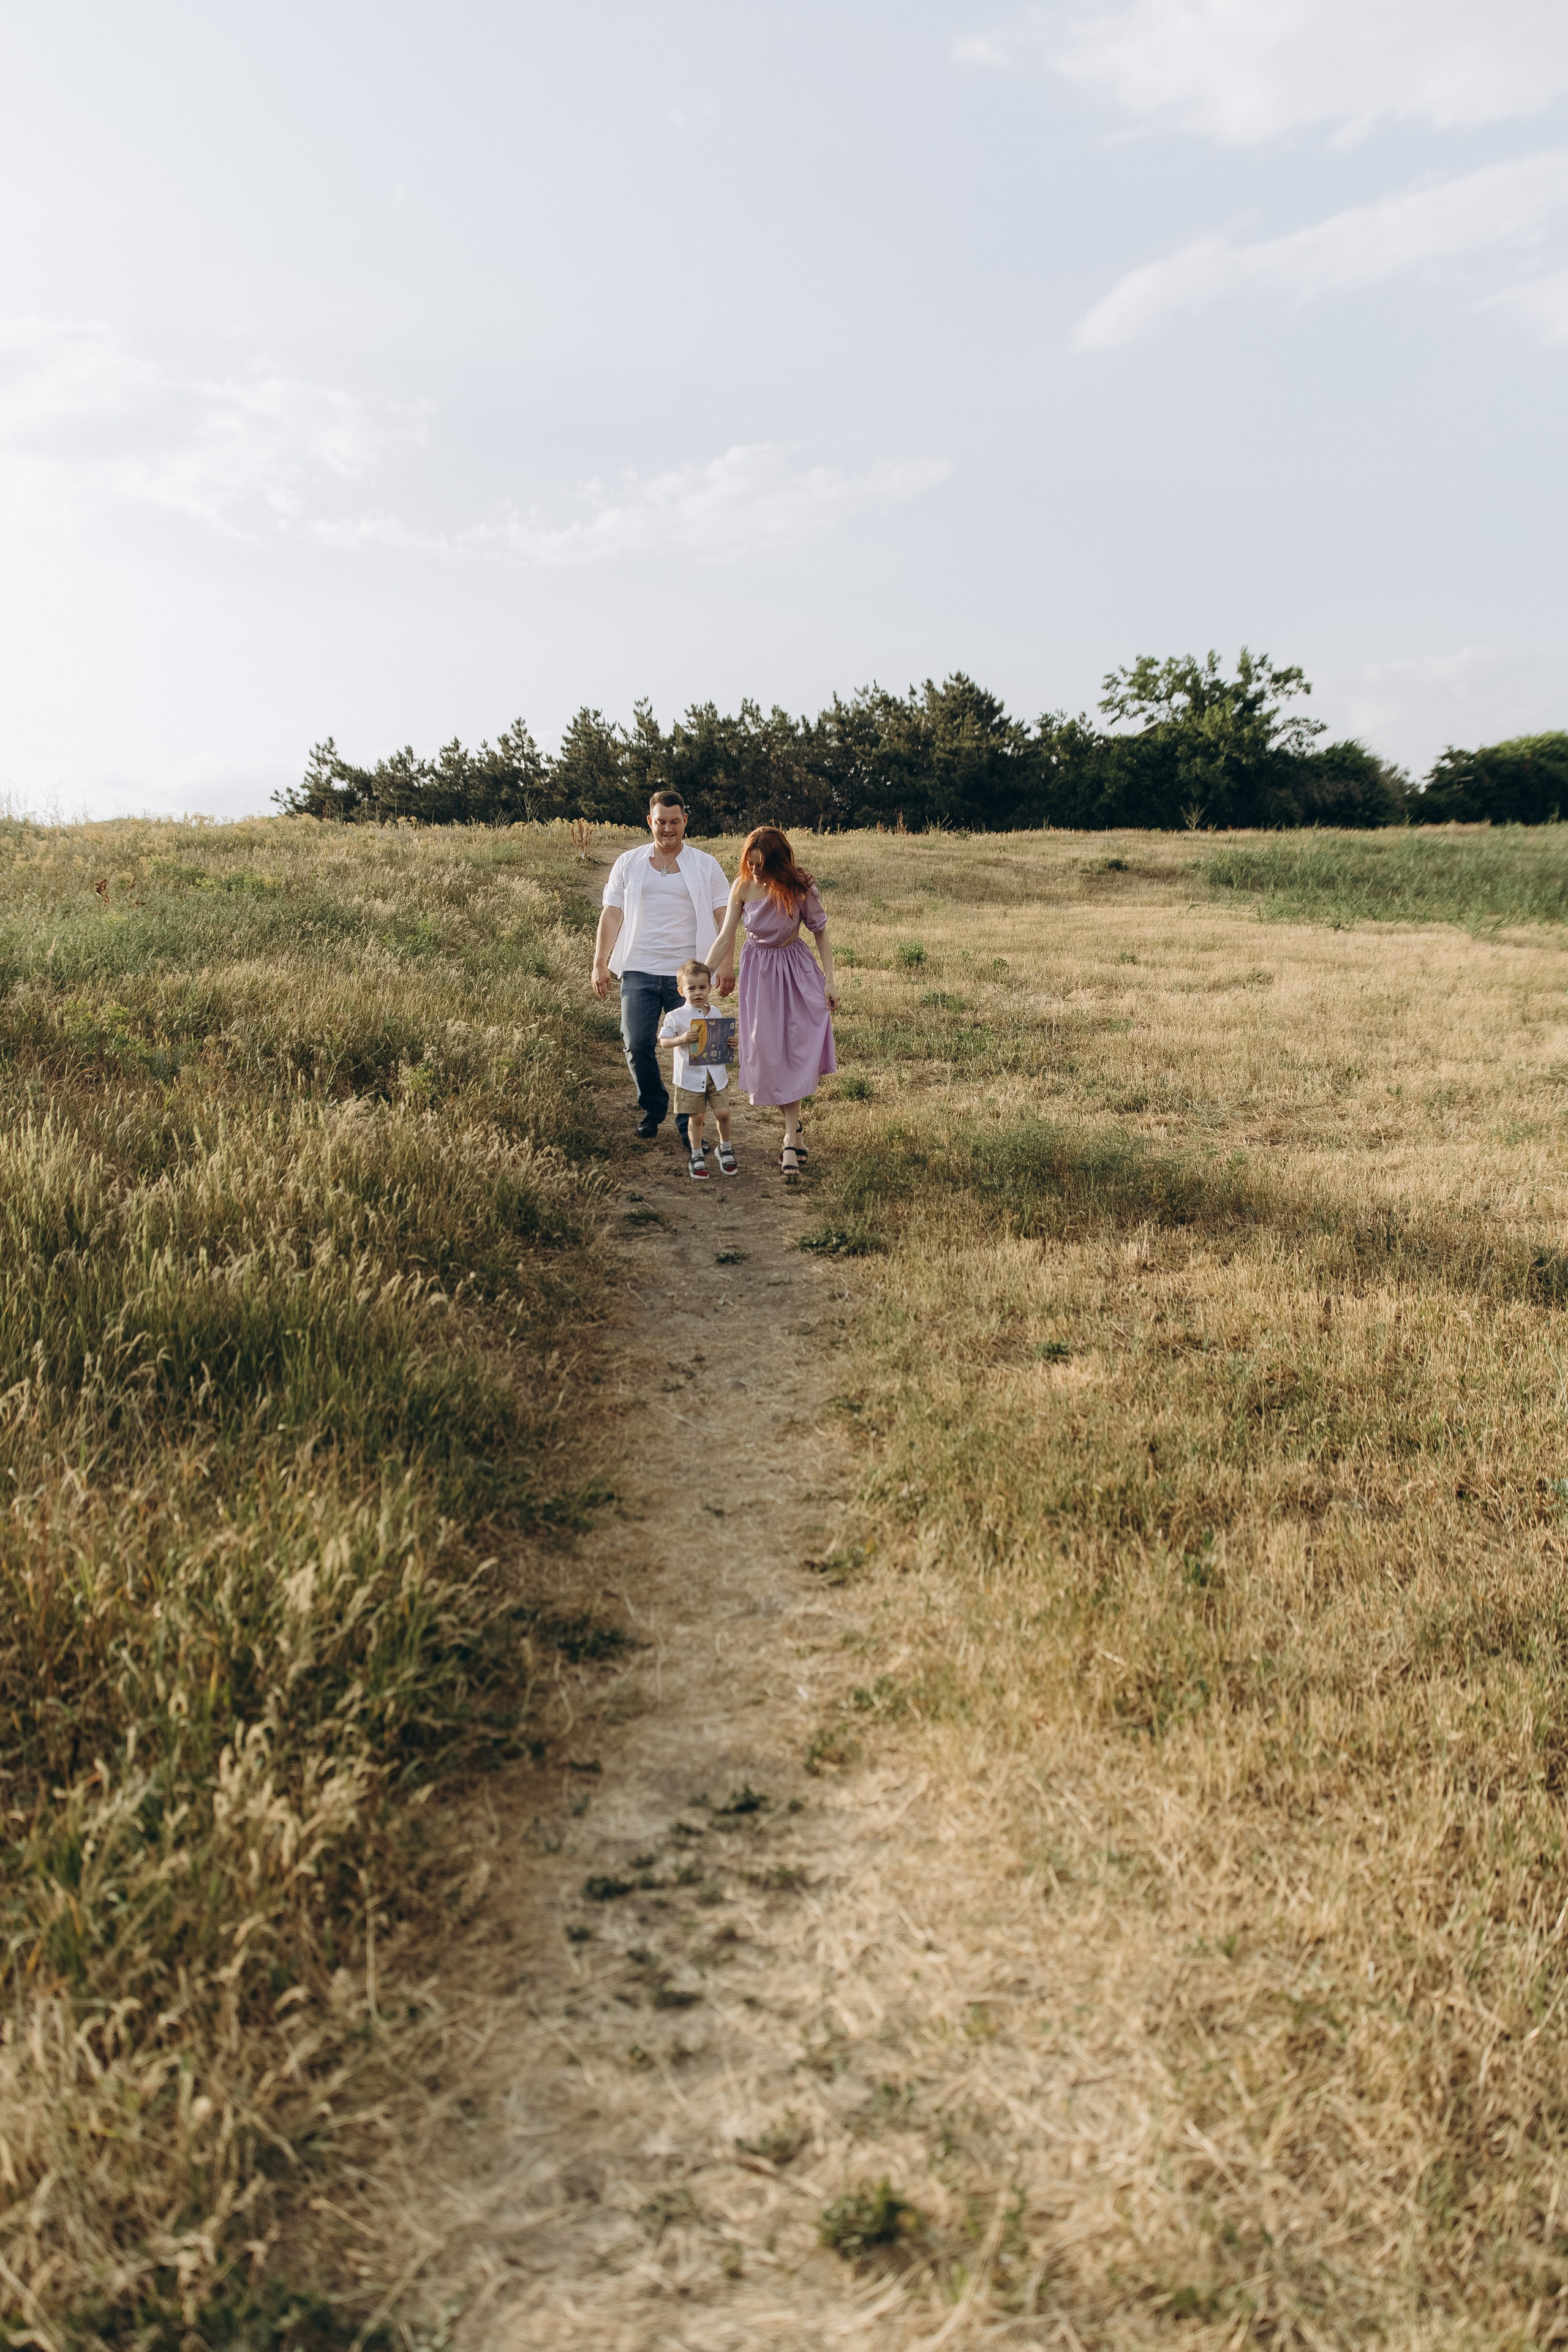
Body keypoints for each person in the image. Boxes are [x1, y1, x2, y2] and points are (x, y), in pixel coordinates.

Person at [592, 792, 731, 1144]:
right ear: (649, 822)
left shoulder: (706, 864)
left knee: (695, 1049)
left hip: (689, 974)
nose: (667, 828)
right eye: (660, 821)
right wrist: (600, 963)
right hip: (639, 967)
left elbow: (724, 917)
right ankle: (654, 1107)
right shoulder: (628, 862)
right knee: (637, 1044)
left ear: (685, 819)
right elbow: (612, 913)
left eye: (674, 821)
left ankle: (689, 1124)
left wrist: (726, 963)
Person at [709, 826, 839, 1181]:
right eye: (750, 864)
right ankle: (795, 1131)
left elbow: (821, 931)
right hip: (759, 975)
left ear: (778, 863)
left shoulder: (799, 887)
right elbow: (725, 937)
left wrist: (831, 980)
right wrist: (704, 972)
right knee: (767, 1051)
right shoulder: (742, 887)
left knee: (795, 1049)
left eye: (762, 865)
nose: (755, 871)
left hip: (795, 972)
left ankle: (787, 1138)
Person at [658, 959, 739, 1180]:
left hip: (715, 1074)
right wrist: (682, 1039)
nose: (698, 993)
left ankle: (725, 1148)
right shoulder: (676, 1017)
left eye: (702, 988)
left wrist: (730, 1042)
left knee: (723, 1113)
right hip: (691, 1077)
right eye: (691, 988)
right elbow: (664, 1041)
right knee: (697, 1117)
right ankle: (696, 1155)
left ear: (710, 988)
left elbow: (719, 1041)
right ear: (681, 991)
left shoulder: (716, 1013)